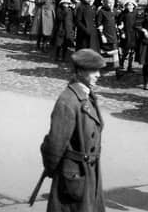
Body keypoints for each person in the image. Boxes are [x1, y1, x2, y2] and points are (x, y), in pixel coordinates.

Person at [41, 49, 106, 211]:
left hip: (88, 172)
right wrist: (51, 168)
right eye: (94, 70)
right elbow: (55, 143)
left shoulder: (87, 95)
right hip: (74, 175)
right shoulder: (68, 101)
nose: (99, 75)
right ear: (80, 72)